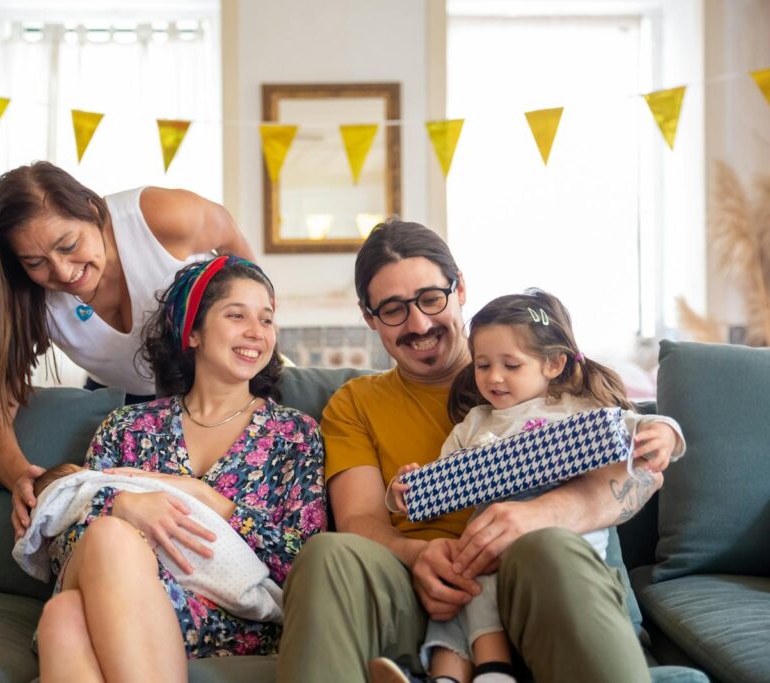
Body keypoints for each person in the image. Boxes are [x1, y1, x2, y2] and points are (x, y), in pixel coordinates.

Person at [275, 220, 666, 683]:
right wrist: (416, 556)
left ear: (459, 289)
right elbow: (361, 520)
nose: (419, 323)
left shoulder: (542, 377)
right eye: (394, 309)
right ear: (369, 317)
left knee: (547, 546)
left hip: (540, 578)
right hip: (415, 592)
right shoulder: (355, 404)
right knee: (326, 555)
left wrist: (541, 515)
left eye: (430, 298)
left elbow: (641, 470)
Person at [34, 255, 326, 682]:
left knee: (62, 618)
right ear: (193, 332)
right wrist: (124, 509)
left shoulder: (293, 435)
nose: (256, 333)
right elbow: (63, 547)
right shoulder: (127, 427)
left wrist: (210, 499)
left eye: (266, 320)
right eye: (236, 315)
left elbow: (306, 562)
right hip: (116, 589)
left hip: (232, 615)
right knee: (104, 541)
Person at [381, 290, 685, 683]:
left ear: (554, 364)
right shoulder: (474, 423)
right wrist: (401, 492)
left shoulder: (576, 408)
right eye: (483, 365)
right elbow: (437, 481)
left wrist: (664, 434)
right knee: (462, 585)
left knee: (513, 573)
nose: (493, 377)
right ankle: (458, 675)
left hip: (575, 553)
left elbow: (642, 429)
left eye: (511, 364)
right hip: (491, 544)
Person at [0, 161, 255, 539]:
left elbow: (230, 236)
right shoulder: (28, 297)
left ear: (93, 208)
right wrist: (20, 475)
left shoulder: (159, 218)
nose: (64, 273)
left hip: (215, 386)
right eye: (36, 263)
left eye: (68, 245)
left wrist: (253, 319)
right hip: (128, 403)